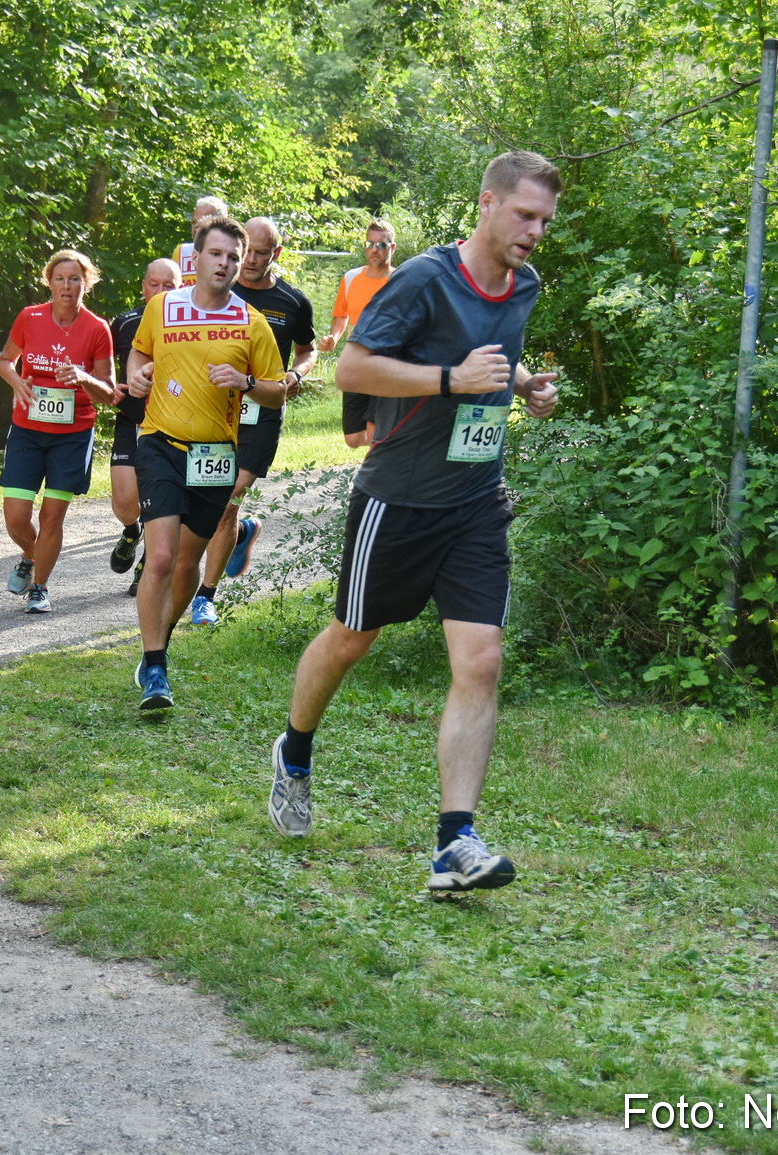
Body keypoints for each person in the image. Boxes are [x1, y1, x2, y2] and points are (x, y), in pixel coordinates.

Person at [265, 152, 563, 894]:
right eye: (525, 215)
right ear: (487, 203)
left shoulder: (524, 284)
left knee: (481, 660)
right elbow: (352, 368)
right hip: (397, 500)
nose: (535, 232)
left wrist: (525, 384)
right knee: (351, 639)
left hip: (475, 500)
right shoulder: (425, 279)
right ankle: (294, 752)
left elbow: (497, 359)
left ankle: (454, 842)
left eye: (545, 221)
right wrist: (449, 381)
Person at [125, 214, 285, 709]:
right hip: (161, 443)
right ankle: (155, 669)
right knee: (161, 558)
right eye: (216, 254)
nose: (225, 263)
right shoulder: (163, 307)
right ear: (195, 259)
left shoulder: (251, 323)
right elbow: (138, 355)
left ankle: (161, 639)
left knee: (186, 565)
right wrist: (137, 376)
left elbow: (277, 392)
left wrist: (245, 383)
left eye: (234, 257)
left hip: (214, 457)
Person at [189, 216, 318, 626]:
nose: (251, 260)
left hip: (261, 412)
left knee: (228, 498)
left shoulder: (292, 301)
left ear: (275, 253)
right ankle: (242, 533)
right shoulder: (217, 290)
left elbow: (308, 349)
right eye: (249, 251)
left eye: (262, 253)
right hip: (212, 410)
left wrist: (296, 373)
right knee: (205, 501)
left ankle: (205, 596)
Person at [0, 249, 117, 614]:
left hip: (73, 434)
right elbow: (5, 361)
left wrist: (83, 377)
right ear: (48, 282)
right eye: (60, 279)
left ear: (86, 283)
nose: (67, 286)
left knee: (51, 516)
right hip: (27, 429)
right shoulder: (29, 317)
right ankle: (31, 555)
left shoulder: (97, 328)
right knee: (16, 516)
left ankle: (40, 588)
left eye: (74, 279)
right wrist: (16, 381)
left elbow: (109, 392)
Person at [108, 258, 182, 597]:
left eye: (169, 286)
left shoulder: (190, 325)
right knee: (125, 501)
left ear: (181, 288)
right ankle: (130, 531)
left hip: (169, 425)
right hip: (131, 419)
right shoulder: (125, 323)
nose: (161, 291)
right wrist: (108, 385)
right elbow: (103, 363)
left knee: (158, 499)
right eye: (155, 284)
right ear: (143, 286)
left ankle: (149, 562)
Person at [315, 218, 397, 354]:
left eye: (381, 245)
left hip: (388, 358)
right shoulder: (350, 278)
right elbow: (341, 315)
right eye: (370, 244)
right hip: (355, 358)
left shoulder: (400, 281)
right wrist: (333, 338)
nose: (374, 250)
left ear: (392, 248)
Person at [172, 196, 229, 288]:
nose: (196, 228)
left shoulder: (232, 255)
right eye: (194, 222)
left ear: (221, 224)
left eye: (202, 222)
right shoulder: (181, 252)